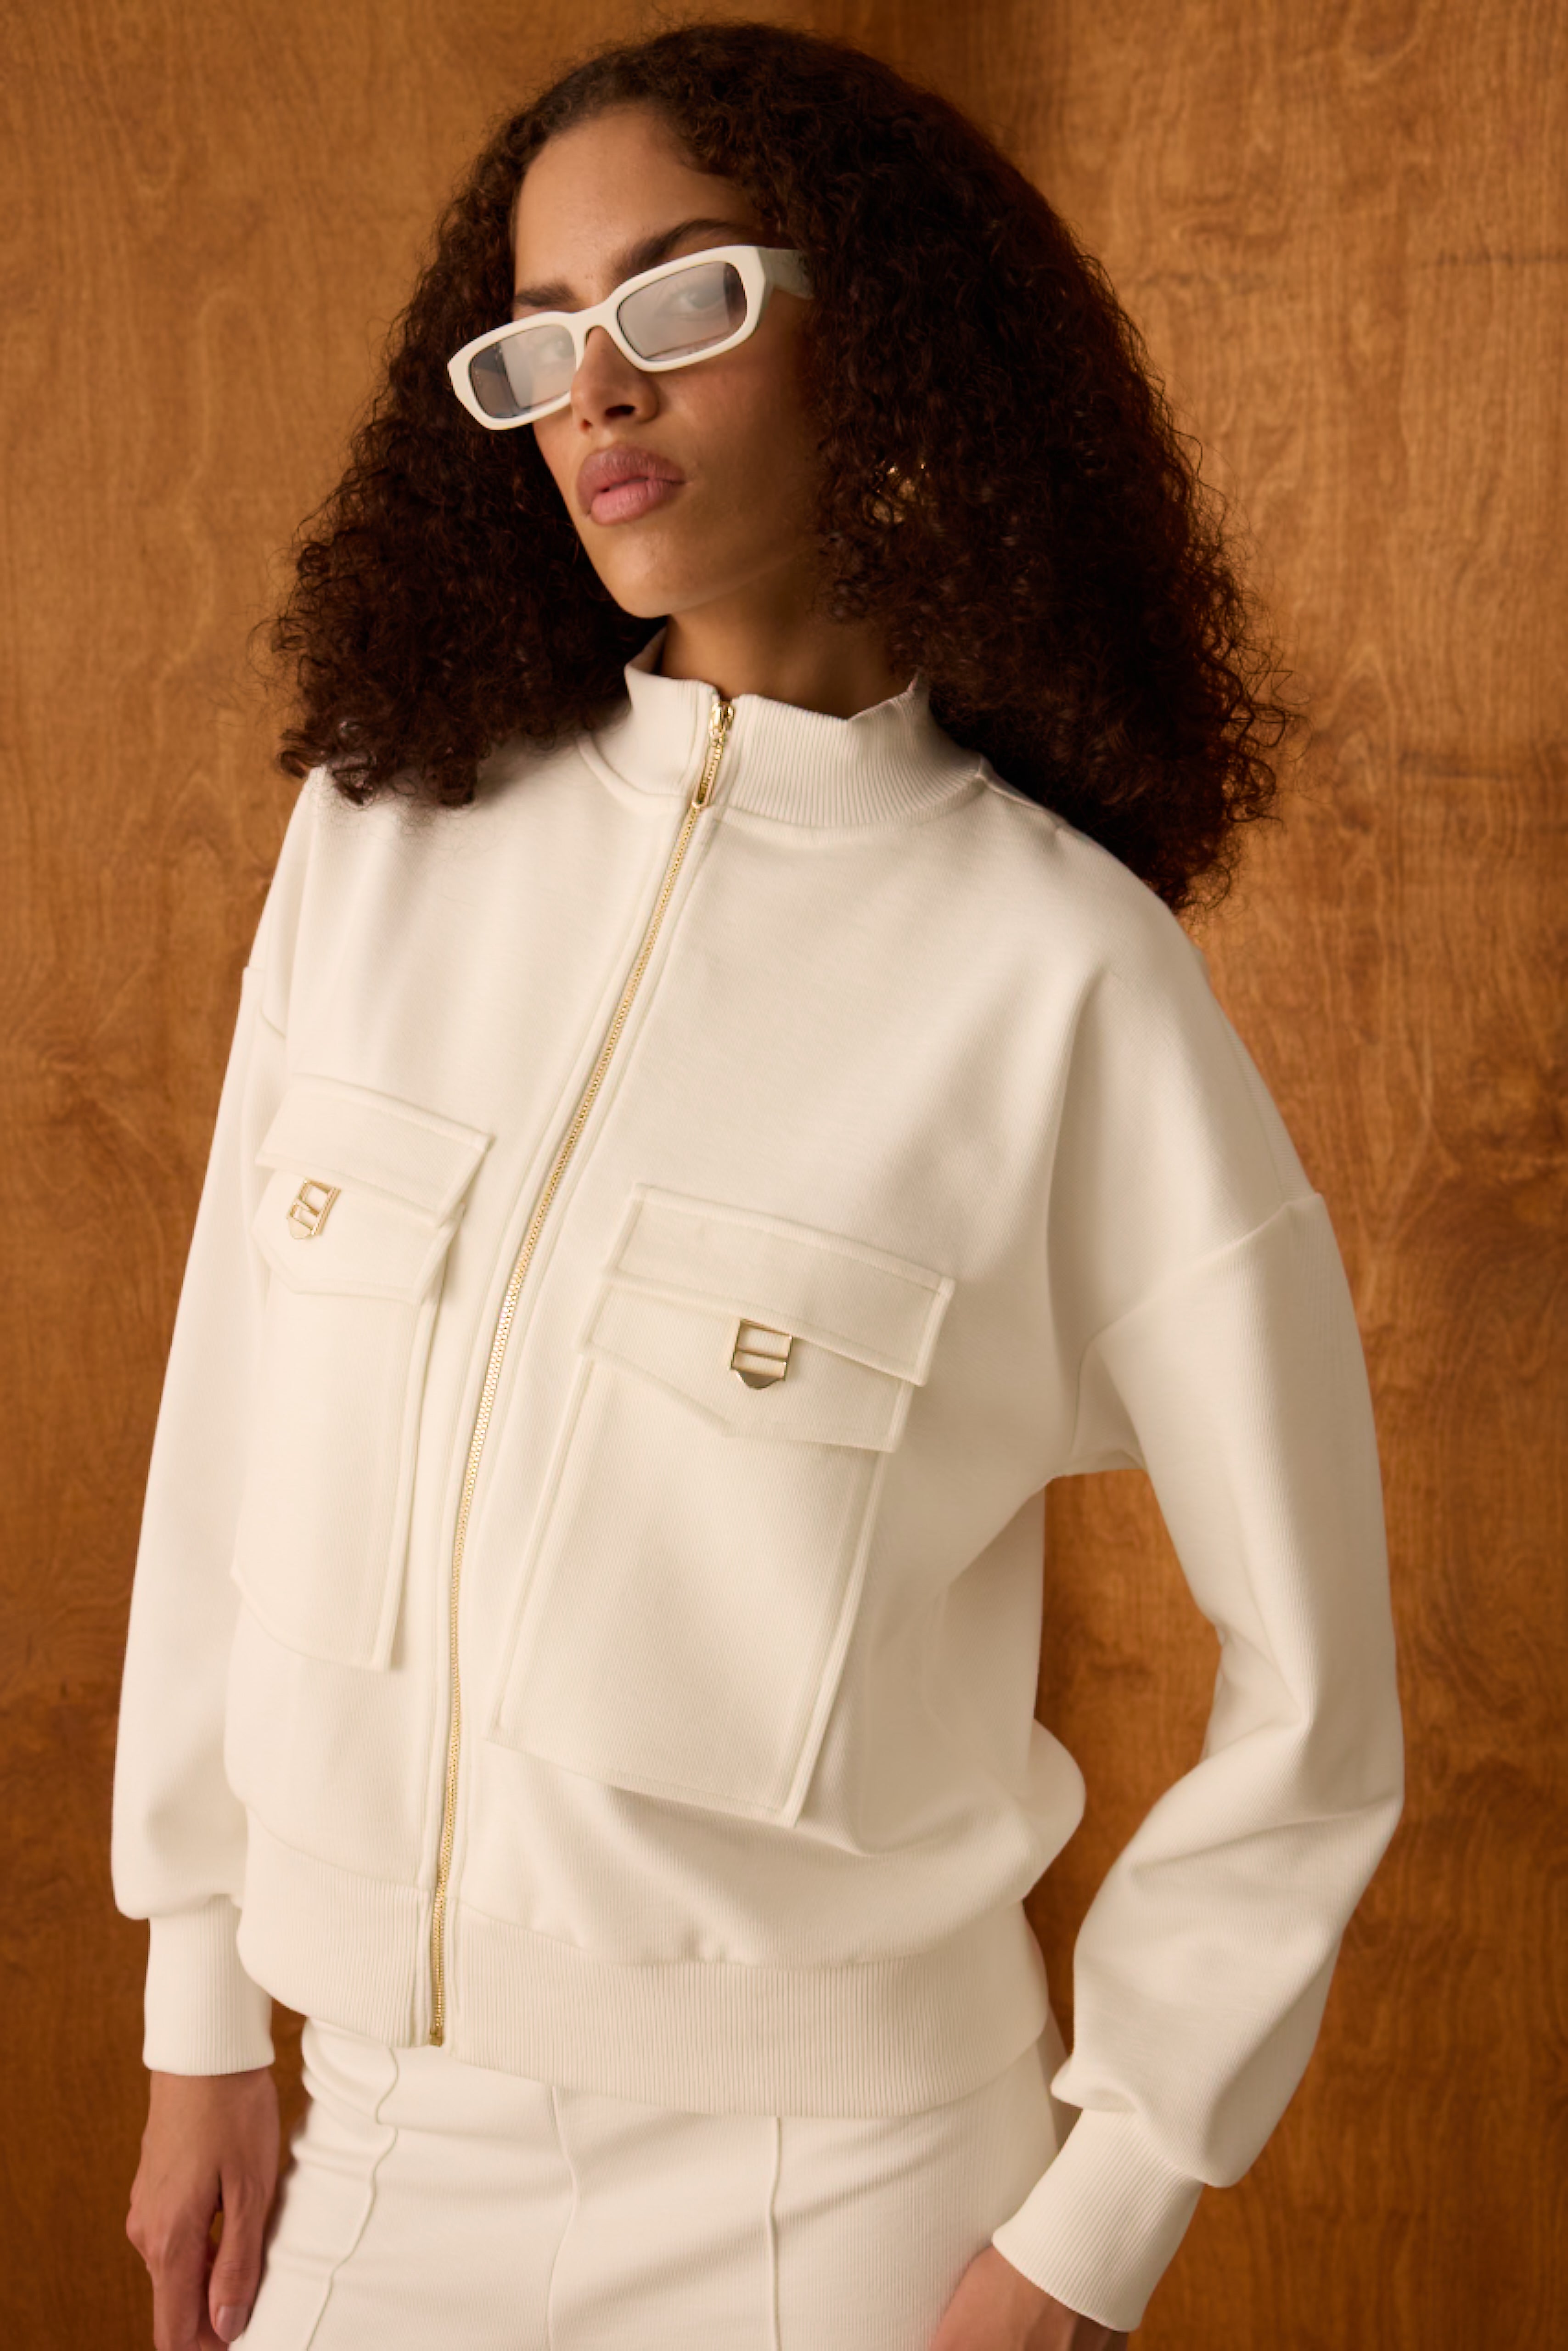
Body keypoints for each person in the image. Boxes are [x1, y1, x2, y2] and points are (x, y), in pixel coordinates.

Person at [112, 19, 1405, 2351]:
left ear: (876, 334)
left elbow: (1314, 1680)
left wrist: (1099, 2213)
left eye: (682, 298)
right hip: (379, 2133)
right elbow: (235, 1427)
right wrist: (200, 1995)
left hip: (844, 2198)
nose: (595, 390)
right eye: (538, 342)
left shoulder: (1058, 976)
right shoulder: (382, 838)